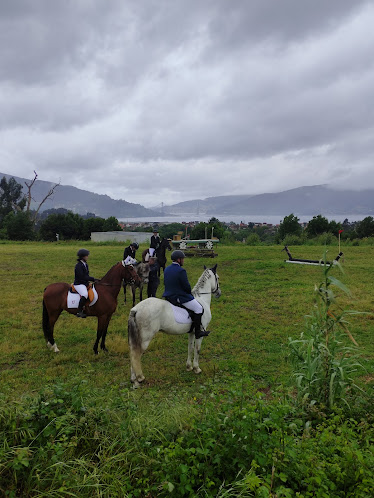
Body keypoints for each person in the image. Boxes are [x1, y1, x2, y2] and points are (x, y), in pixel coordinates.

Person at [163, 250, 210, 339]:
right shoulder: (181, 271)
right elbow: (186, 287)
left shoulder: (167, 269)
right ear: (178, 260)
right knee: (199, 308)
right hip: (179, 297)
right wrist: (189, 293)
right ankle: (197, 332)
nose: (183, 260)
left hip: (168, 296)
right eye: (182, 259)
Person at [74, 248, 96, 318]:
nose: (87, 257)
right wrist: (92, 279)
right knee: (85, 294)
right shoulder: (78, 266)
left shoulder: (85, 264)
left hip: (84, 283)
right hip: (79, 284)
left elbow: (86, 276)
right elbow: (82, 277)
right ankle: (79, 311)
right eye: (86, 256)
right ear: (82, 257)